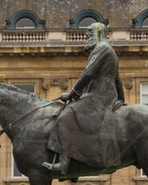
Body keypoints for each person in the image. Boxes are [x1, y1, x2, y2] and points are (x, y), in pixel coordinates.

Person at [44, 22, 125, 175]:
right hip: (107, 94)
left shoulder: (102, 48)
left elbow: (88, 73)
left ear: (99, 32)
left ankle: (64, 163)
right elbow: (117, 80)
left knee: (65, 117)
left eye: (89, 31)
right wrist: (121, 99)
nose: (86, 35)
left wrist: (72, 93)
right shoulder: (110, 51)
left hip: (99, 95)